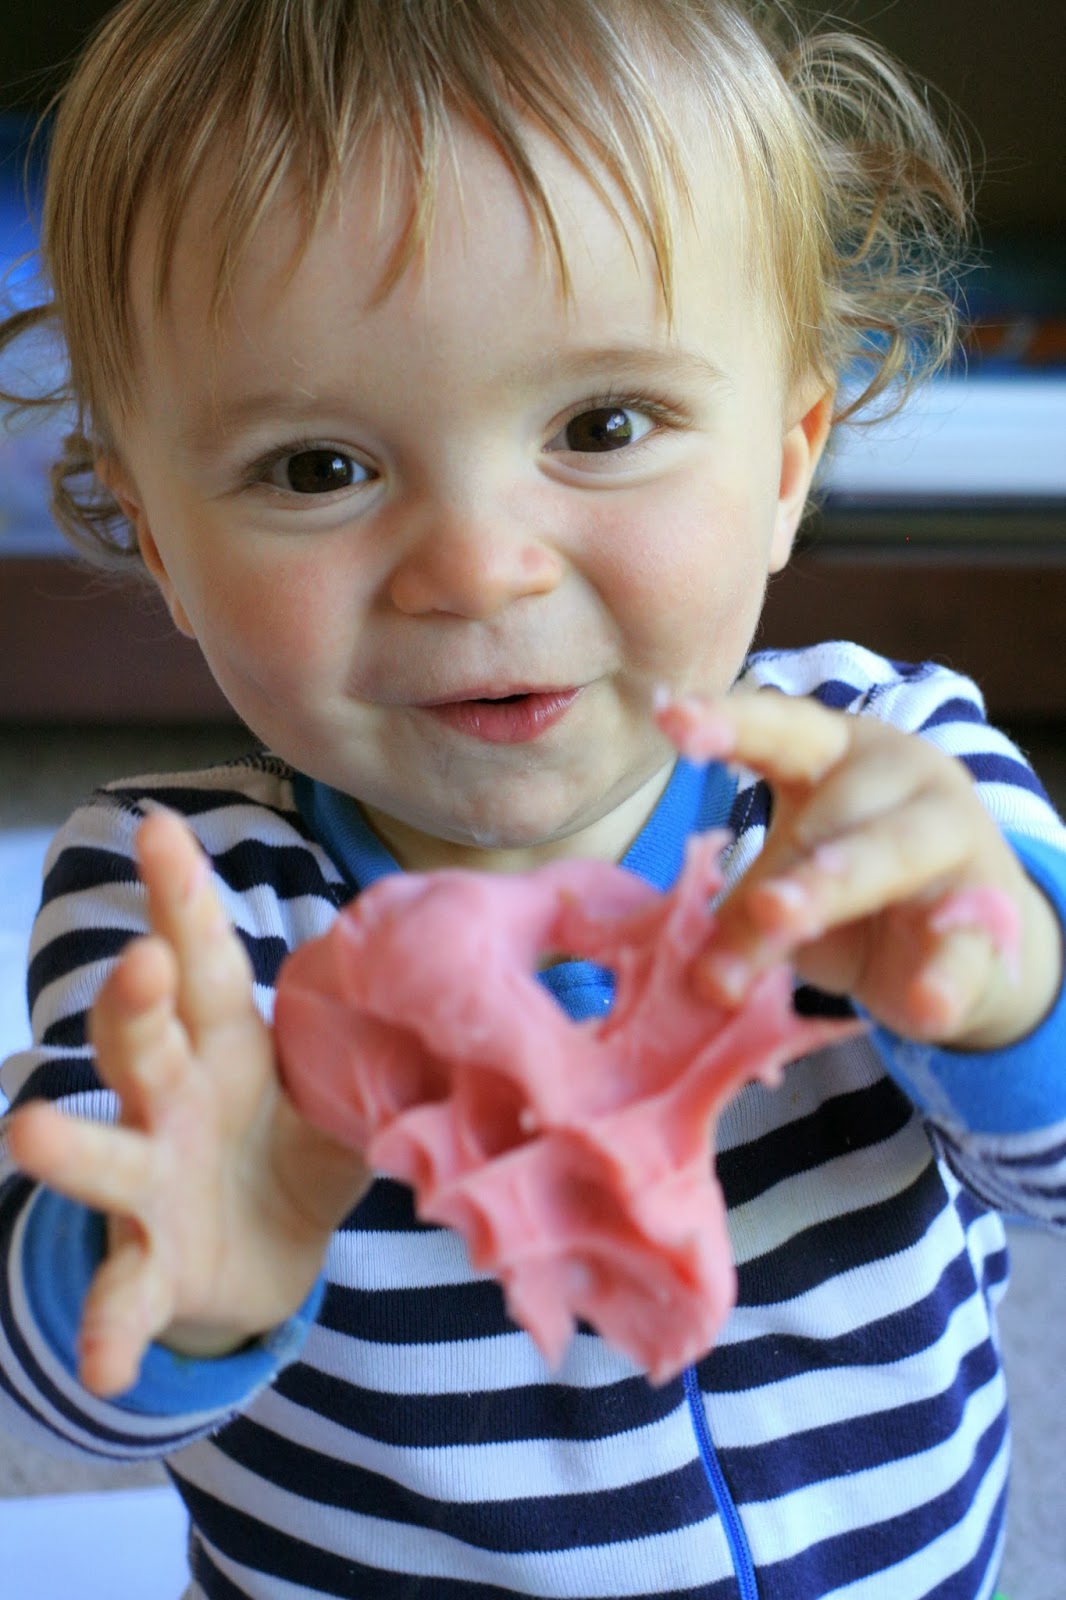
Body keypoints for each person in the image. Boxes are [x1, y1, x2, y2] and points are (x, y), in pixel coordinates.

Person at [0, 1, 1062, 1595]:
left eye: (602, 426)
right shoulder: (189, 904)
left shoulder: (880, 779)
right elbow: (50, 1389)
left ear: (787, 460)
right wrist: (180, 1269)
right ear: (160, 542)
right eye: (316, 469)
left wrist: (1000, 995)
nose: (477, 566)